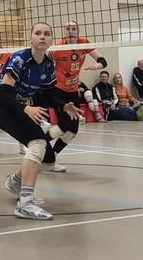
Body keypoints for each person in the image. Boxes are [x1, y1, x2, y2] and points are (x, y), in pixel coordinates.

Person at [0, 22, 81, 220]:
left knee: (48, 159)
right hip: (0, 106)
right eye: (38, 33)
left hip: (18, 106)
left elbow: (48, 95)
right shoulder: (20, 58)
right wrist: (26, 108)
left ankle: (15, 182)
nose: (42, 36)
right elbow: (5, 93)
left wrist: (63, 105)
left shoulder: (47, 65)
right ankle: (25, 204)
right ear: (31, 38)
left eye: (46, 33)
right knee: (37, 144)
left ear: (51, 40)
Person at [45, 20, 106, 170]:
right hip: (58, 90)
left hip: (73, 92)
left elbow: (102, 60)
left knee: (72, 131)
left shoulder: (83, 44)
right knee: (64, 126)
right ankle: (38, 143)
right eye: (67, 29)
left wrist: (97, 65)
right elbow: (44, 65)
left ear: (78, 31)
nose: (70, 31)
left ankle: (51, 157)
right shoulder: (57, 48)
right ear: (64, 32)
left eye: (73, 29)